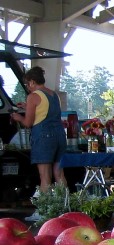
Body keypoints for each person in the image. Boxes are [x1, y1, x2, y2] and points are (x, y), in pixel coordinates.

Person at [10, 66, 68, 196]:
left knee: (45, 177)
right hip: (59, 136)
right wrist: (27, 107)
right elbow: (45, 109)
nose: (27, 87)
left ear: (32, 82)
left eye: (27, 84)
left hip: (44, 137)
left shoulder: (33, 96)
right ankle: (64, 206)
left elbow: (28, 123)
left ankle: (44, 209)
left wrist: (18, 117)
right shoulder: (54, 95)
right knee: (59, 174)